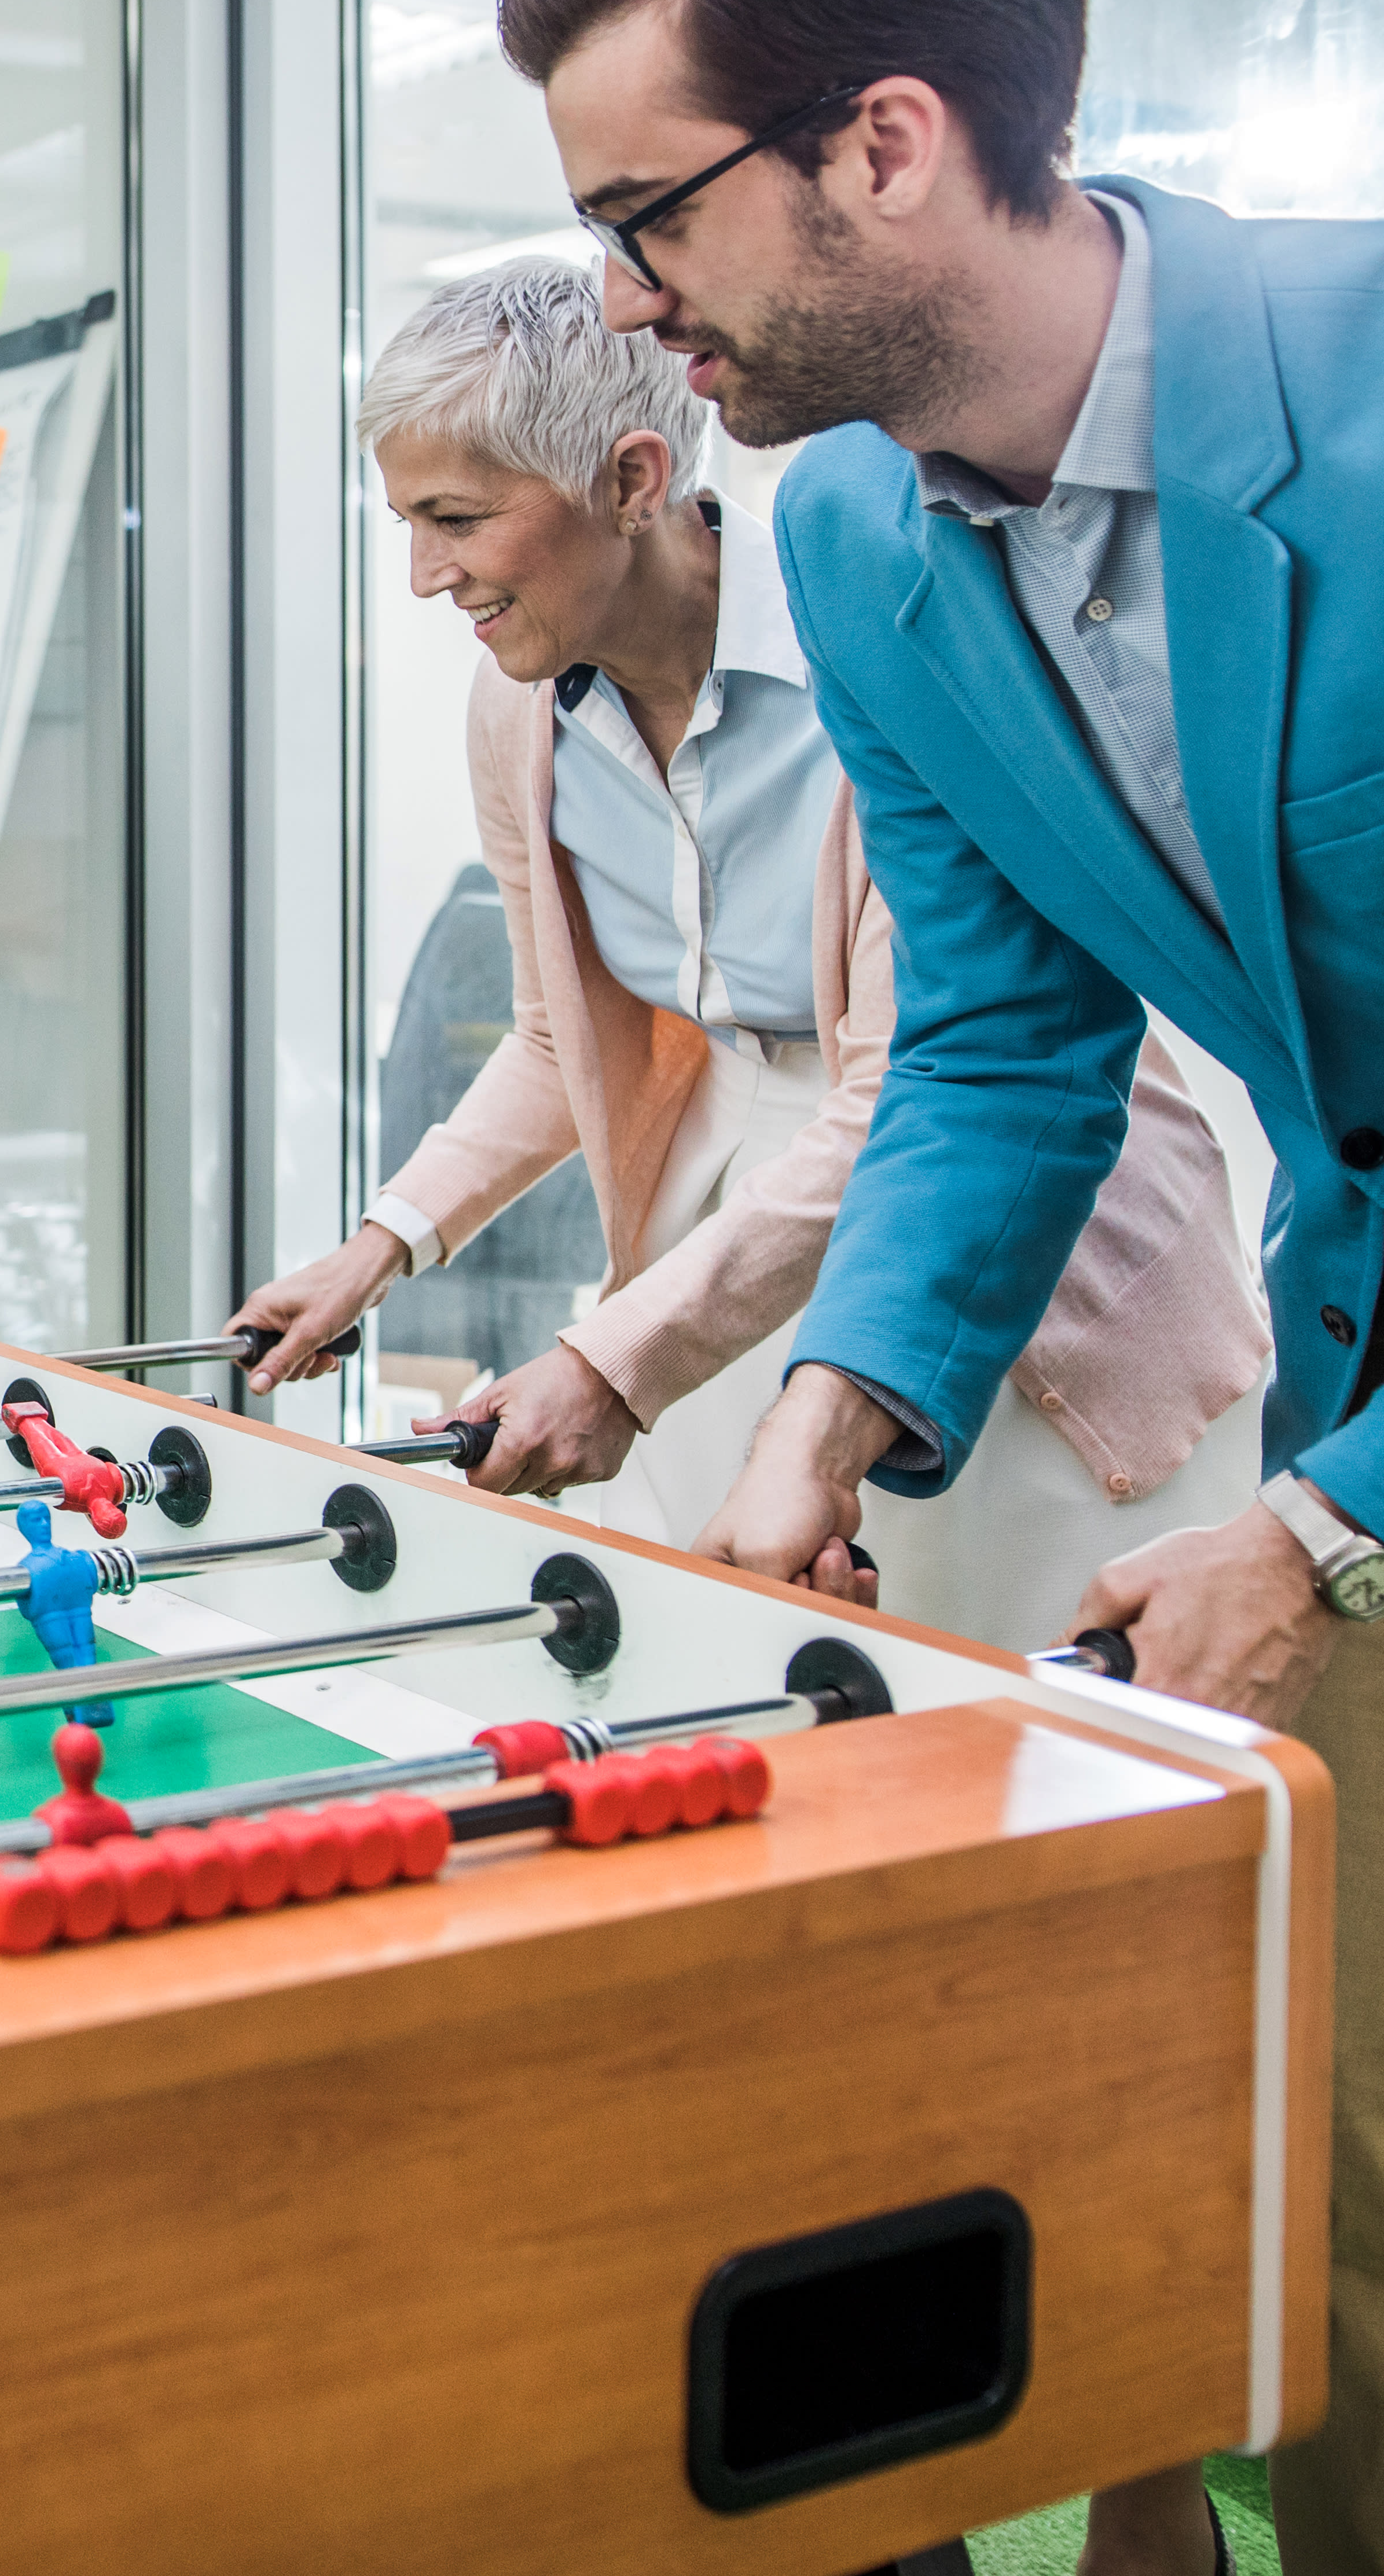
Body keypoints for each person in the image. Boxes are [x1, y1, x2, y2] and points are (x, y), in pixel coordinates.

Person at [508, 0, 1384, 2565]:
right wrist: (829, 1418)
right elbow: (1005, 1039)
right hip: (1353, 1370)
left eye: (642, 223)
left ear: (883, 145)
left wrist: (1323, 1529)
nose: (626, 310)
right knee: (1335, 2196)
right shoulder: (863, 539)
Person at [225, 256, 1260, 1652]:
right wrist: (381, 1246)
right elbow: (552, 1037)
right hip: (728, 1233)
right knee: (750, 1682)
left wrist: (615, 1358)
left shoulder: (878, 652)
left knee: (1018, 1713)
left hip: (1004, 1222)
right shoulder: (514, 707)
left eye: (456, 519)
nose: (425, 576)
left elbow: (935, 1086)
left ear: (634, 480)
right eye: (407, 523)